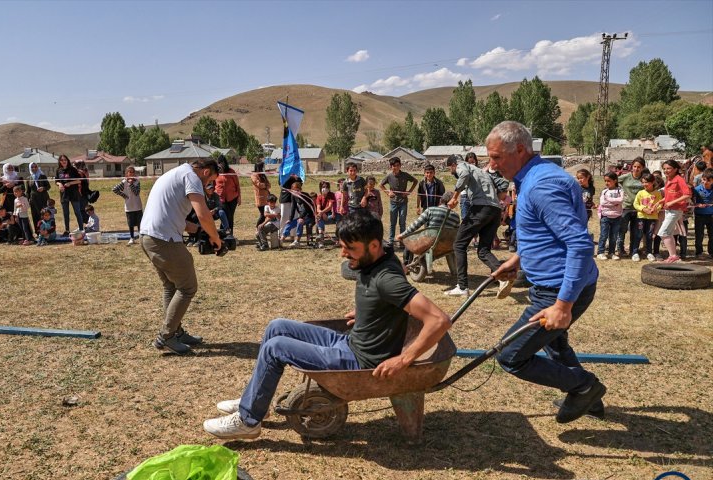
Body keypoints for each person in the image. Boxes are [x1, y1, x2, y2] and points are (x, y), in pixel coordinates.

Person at [203, 210, 451, 440]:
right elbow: (391, 297)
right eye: (342, 246)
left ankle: (249, 420)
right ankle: (254, 400)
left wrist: (403, 360)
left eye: (350, 248)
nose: (343, 253)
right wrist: (370, 312)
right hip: (349, 341)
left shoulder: (387, 279)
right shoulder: (381, 257)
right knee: (276, 326)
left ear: (374, 245)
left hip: (359, 361)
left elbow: (439, 320)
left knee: (275, 347)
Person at [486, 121, 606, 424]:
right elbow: (545, 233)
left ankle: (584, 386)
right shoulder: (535, 177)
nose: (492, 165)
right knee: (553, 342)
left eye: (497, 157)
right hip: (549, 284)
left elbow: (579, 244)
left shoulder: (541, 186)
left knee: (510, 356)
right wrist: (518, 258)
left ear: (521, 150)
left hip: (557, 290)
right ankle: (589, 401)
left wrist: (563, 305)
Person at [140, 159, 222, 355]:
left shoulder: (177, 173)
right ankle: (167, 336)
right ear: (205, 172)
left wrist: (201, 233)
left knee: (172, 286)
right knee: (187, 287)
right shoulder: (192, 177)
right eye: (210, 181)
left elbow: (178, 218)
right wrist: (216, 238)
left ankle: (175, 331)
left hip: (149, 237)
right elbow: (203, 214)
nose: (208, 186)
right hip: (163, 239)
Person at [445, 155, 509, 297]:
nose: (453, 172)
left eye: (451, 169)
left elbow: (465, 174)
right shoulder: (482, 172)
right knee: (483, 251)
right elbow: (503, 184)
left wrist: (454, 197)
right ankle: (504, 277)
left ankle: (462, 287)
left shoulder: (463, 166)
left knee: (459, 245)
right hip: (495, 211)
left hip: (481, 208)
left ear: (453, 164)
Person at [657, 160, 692, 264]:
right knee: (668, 233)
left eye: (668, 168)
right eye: (664, 169)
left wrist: (672, 202)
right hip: (669, 210)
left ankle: (673, 256)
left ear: (675, 169)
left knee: (663, 232)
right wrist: (660, 201)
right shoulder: (669, 179)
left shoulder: (679, 179)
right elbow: (670, 195)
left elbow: (687, 195)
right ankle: (673, 255)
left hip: (675, 210)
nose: (666, 171)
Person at [380, 157, 418, 243]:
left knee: (402, 222)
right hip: (393, 202)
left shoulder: (405, 175)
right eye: (394, 166)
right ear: (391, 166)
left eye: (397, 165)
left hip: (403, 202)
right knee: (392, 222)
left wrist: (409, 191)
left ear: (400, 166)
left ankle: (402, 240)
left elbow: (415, 181)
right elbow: (381, 185)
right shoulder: (389, 176)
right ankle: (391, 240)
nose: (396, 167)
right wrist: (388, 193)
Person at [616, 157, 645, 261]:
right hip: (625, 207)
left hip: (639, 209)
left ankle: (634, 251)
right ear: (631, 167)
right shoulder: (626, 177)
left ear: (643, 168)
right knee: (622, 230)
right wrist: (619, 194)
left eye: (639, 167)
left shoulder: (644, 178)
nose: (636, 169)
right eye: (635, 166)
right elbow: (612, 181)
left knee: (637, 231)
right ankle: (620, 249)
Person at [633, 174, 663, 262]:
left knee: (649, 235)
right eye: (643, 182)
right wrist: (643, 209)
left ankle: (649, 252)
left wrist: (655, 210)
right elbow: (636, 204)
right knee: (638, 235)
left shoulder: (657, 193)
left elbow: (660, 204)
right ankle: (635, 252)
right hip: (641, 217)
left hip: (652, 218)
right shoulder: (640, 193)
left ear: (653, 182)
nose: (645, 184)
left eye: (647, 182)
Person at [112, 166, 144, 245]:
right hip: (129, 207)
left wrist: (131, 184)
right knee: (130, 224)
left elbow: (136, 192)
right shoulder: (123, 182)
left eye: (133, 172)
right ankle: (132, 238)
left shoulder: (137, 181)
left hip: (137, 206)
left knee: (140, 223)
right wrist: (124, 196)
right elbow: (114, 189)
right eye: (130, 172)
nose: (131, 173)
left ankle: (141, 237)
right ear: (127, 174)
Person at [596, 172, 623, 260]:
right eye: (605, 181)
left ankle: (611, 252)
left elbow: (621, 200)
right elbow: (602, 203)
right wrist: (614, 202)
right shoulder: (604, 191)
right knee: (604, 235)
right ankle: (600, 252)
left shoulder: (620, 190)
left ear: (615, 180)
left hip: (617, 217)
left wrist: (609, 201)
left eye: (609, 181)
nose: (607, 183)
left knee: (614, 236)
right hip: (605, 217)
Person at [55, 155, 84, 235]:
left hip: (74, 194)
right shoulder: (58, 170)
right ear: (59, 162)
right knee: (65, 213)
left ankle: (81, 229)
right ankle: (67, 230)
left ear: (67, 160)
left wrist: (70, 183)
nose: (63, 161)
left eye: (65, 160)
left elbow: (79, 181)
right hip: (64, 194)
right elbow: (56, 181)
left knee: (77, 212)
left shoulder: (73, 169)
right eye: (61, 160)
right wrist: (59, 184)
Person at [215, 155, 241, 235]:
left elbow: (237, 185)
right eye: (219, 163)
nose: (220, 165)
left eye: (222, 163)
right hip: (221, 199)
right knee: (224, 216)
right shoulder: (216, 173)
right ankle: (223, 234)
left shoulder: (231, 171)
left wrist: (239, 197)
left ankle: (230, 235)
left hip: (232, 198)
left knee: (230, 217)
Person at [283, 181, 315, 248]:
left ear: (300, 189)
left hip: (309, 216)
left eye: (297, 190)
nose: (296, 192)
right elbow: (293, 208)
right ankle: (281, 239)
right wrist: (290, 219)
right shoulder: (293, 196)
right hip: (302, 217)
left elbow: (306, 209)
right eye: (294, 191)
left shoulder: (305, 195)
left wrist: (301, 217)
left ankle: (297, 241)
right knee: (289, 223)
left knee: (299, 222)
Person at [692, 169, 713, 259]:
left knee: (712, 235)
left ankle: (711, 252)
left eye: (708, 180)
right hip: (699, 215)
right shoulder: (696, 189)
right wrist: (697, 204)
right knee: (699, 235)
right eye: (704, 179)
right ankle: (699, 252)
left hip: (711, 215)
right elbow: (691, 202)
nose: (705, 182)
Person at [25, 162, 51, 227]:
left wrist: (43, 188)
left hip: (43, 198)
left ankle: (47, 229)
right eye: (32, 167)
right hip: (33, 200)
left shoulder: (42, 176)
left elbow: (48, 186)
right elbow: (28, 191)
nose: (34, 168)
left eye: (35, 167)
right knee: (35, 215)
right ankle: (38, 231)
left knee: (44, 214)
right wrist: (27, 201)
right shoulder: (28, 178)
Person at [314, 181, 336, 246]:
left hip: (331, 215)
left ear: (329, 188)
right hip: (322, 216)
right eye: (323, 187)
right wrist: (322, 213)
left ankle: (320, 236)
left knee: (319, 218)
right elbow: (318, 208)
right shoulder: (319, 197)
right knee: (319, 218)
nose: (325, 188)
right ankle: (321, 238)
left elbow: (330, 207)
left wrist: (322, 212)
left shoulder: (331, 195)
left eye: (326, 187)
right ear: (320, 188)